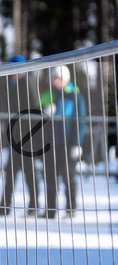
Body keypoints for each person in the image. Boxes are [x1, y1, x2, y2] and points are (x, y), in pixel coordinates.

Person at [0, 56, 39, 217]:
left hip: (27, 137)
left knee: (29, 172)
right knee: (10, 172)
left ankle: (34, 206)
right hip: (16, 136)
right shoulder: (10, 85)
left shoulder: (27, 83)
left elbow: (34, 109)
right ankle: (5, 206)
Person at [38, 65, 87, 219]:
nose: (55, 82)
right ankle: (50, 210)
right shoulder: (48, 95)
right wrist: (44, 113)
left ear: (65, 79)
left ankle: (70, 209)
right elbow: (37, 113)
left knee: (68, 177)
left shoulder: (75, 96)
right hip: (51, 143)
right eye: (54, 78)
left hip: (68, 143)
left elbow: (80, 121)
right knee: (50, 177)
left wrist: (77, 144)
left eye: (58, 79)